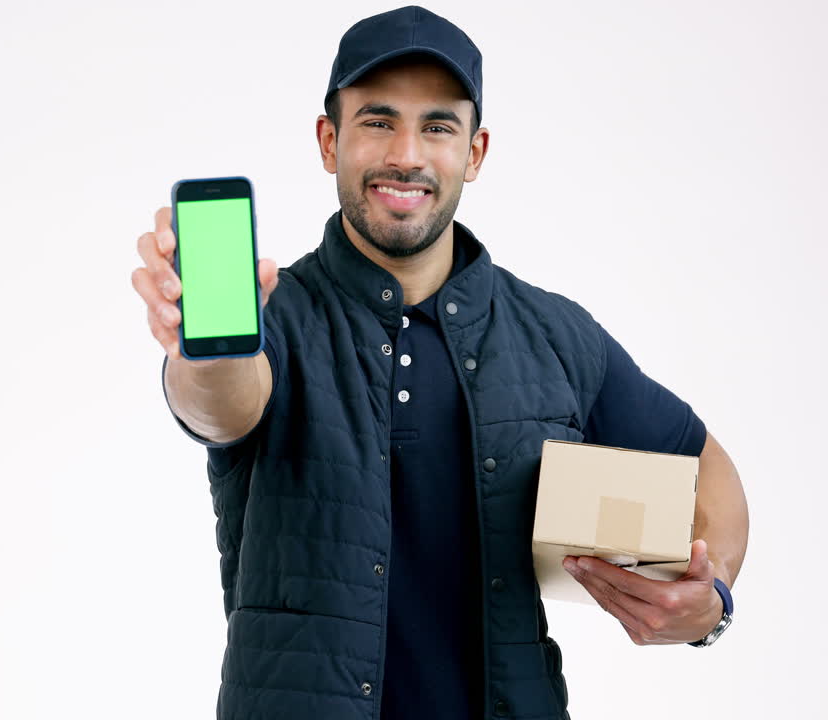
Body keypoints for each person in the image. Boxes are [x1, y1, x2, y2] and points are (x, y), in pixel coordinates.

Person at [131, 6, 749, 720]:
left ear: (475, 152)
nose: (407, 154)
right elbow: (219, 405)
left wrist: (714, 598)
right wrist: (205, 347)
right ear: (329, 140)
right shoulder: (280, 317)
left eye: (437, 127)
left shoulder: (555, 333)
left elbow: (706, 467)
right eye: (376, 121)